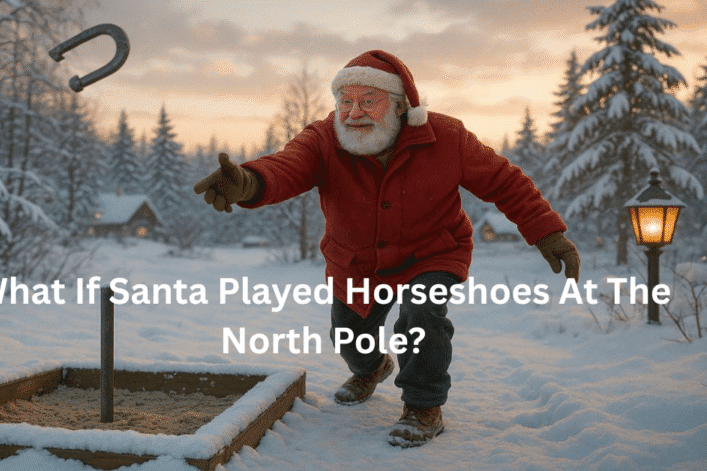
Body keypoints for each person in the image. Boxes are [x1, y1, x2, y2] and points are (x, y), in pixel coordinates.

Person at [194, 50, 580, 448]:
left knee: (421, 315)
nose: (353, 112)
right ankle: (372, 367)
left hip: (431, 252)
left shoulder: (447, 137)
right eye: (345, 101)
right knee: (348, 336)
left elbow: (505, 182)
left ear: (400, 106)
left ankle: (423, 406)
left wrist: (546, 233)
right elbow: (286, 166)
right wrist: (249, 182)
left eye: (368, 101)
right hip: (358, 261)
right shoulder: (324, 138)